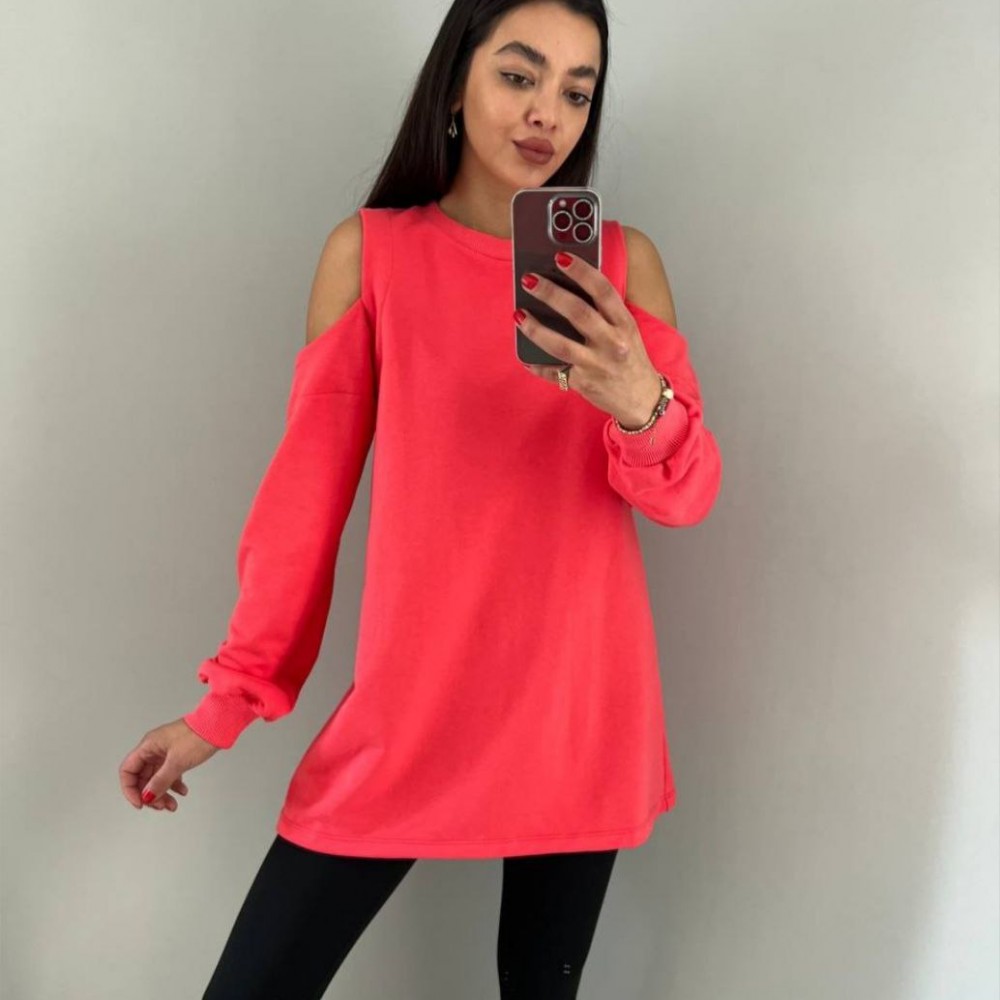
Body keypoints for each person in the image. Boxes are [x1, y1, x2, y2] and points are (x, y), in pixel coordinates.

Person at [118, 0, 723, 996]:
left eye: (577, 91)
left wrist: (637, 402)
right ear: (454, 86)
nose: (548, 113)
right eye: (519, 76)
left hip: (580, 712)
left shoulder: (621, 266)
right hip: (410, 712)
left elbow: (686, 496)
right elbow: (302, 504)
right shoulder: (371, 254)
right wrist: (223, 707)